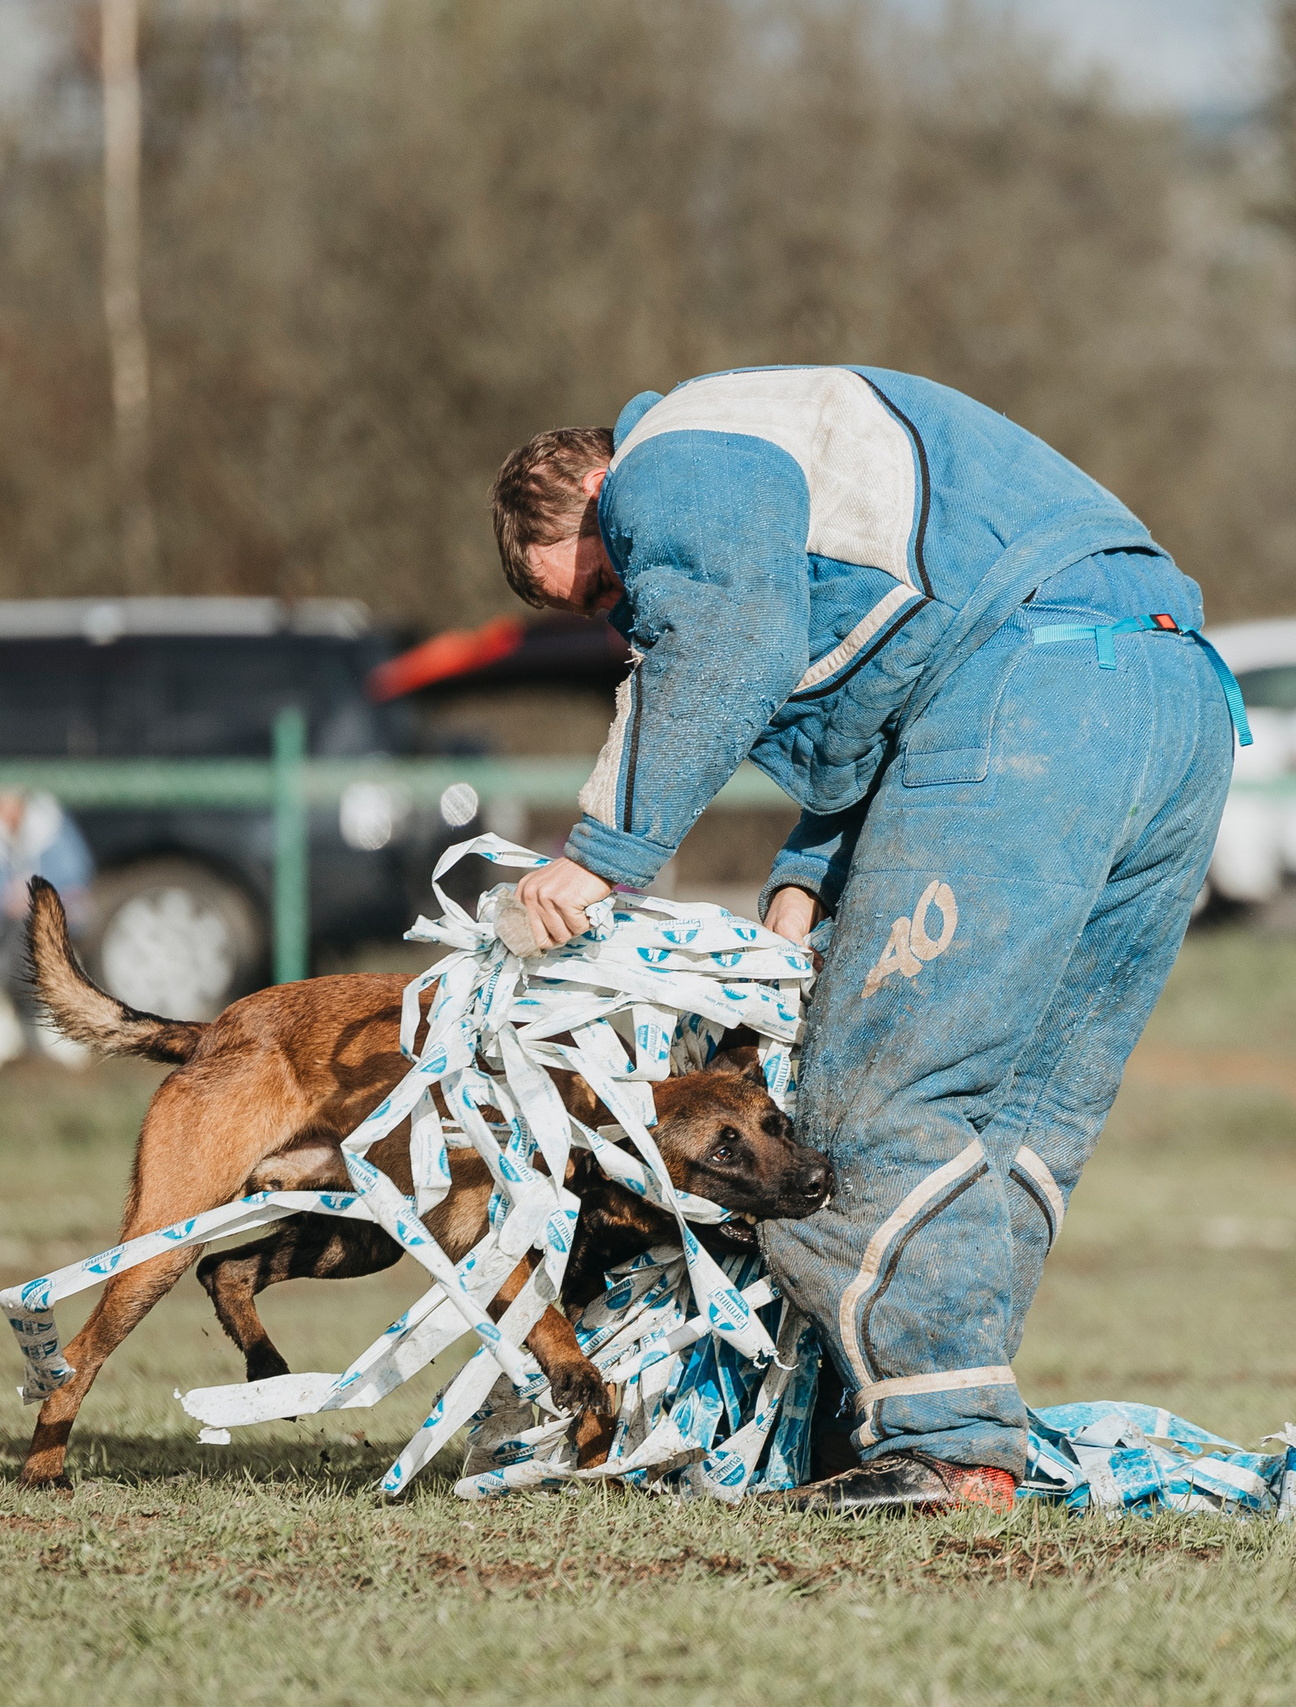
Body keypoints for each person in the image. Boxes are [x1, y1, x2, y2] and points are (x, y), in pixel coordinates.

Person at [489, 367, 1245, 1514]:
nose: (620, 616)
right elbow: (897, 667)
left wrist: (599, 856)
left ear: (599, 488)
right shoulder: (790, 438)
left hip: (1031, 689)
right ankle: (948, 1423)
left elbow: (729, 642)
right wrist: (806, 871)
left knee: (873, 1099)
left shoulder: (672, 455)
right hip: (1167, 692)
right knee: (1021, 1114)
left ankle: (943, 1450)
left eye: (600, 586)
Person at [0, 786, 94, 1073]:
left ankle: (49, 1015)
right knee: (16, 940)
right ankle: (14, 1014)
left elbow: (76, 872)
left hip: (54, 920)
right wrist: (7, 899)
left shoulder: (51, 824)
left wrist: (37, 894)